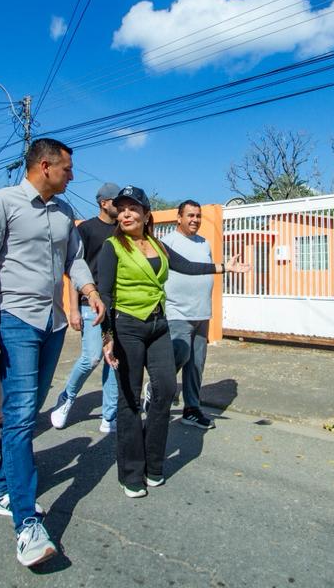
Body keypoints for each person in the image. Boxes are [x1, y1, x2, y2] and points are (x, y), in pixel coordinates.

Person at [0, 137, 104, 568]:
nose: (72, 175)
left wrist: (88, 288)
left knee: (30, 411)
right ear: (44, 166)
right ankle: (26, 523)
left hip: (53, 323)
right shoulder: (0, 202)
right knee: (22, 414)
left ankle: (4, 491)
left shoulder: (65, 212)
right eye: (67, 168)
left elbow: (75, 258)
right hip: (14, 318)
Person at [100, 186, 247, 498]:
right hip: (127, 327)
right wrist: (107, 336)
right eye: (122, 208)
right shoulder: (112, 247)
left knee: (165, 390)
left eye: (133, 208)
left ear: (146, 214)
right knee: (129, 400)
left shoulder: (156, 244)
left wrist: (224, 267)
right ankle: (131, 472)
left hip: (158, 325)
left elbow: (188, 267)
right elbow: (106, 295)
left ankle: (154, 463)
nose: (126, 213)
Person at [51, 182, 121, 433]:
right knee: (91, 357)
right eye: (117, 202)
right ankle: (67, 397)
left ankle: (109, 415)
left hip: (118, 305)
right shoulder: (87, 229)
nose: (122, 207)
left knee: (113, 361)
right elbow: (74, 268)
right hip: (89, 304)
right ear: (104, 203)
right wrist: (73, 309)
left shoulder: (123, 230)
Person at [161, 200, 217, 430]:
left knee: (196, 364)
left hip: (202, 313)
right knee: (178, 355)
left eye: (198, 216)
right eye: (190, 215)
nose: (195, 220)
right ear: (179, 217)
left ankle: (191, 410)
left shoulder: (204, 243)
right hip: (177, 312)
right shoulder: (167, 243)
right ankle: (157, 391)